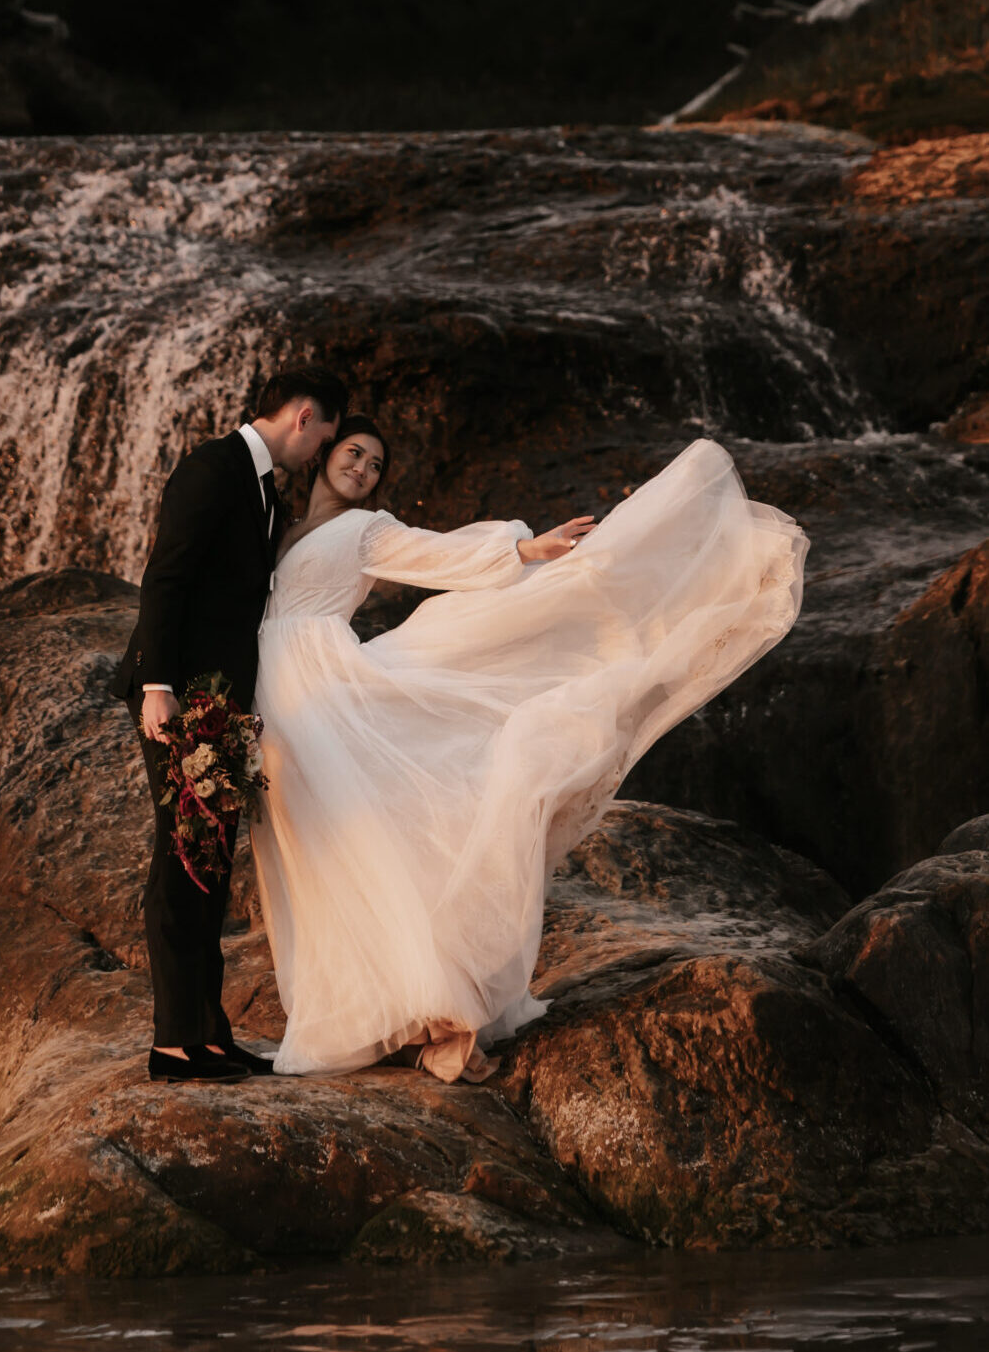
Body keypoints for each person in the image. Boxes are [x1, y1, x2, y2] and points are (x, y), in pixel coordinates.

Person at [251, 419, 807, 1082]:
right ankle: (376, 1008)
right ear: (321, 456)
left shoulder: (365, 527)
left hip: (320, 683)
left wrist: (524, 549)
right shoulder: (281, 527)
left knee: (366, 839)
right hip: (276, 693)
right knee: (318, 852)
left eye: (375, 463)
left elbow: (430, 552)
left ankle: (436, 1006)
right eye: (353, 453)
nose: (364, 468)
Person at [110, 364, 349, 1084]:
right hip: (179, 697)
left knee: (208, 868)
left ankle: (208, 1033)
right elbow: (166, 576)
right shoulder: (211, 468)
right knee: (181, 863)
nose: (318, 455)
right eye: (326, 438)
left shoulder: (262, 489)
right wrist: (156, 685)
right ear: (303, 415)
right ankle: (173, 1042)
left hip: (221, 703)